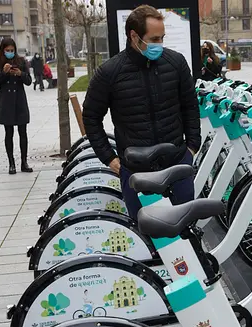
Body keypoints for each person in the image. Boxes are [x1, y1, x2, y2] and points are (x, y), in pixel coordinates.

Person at [82, 5, 201, 218]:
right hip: (135, 171)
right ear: (134, 36)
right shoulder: (109, 72)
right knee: (144, 233)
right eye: (154, 39)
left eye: (162, 38)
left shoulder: (176, 63)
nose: (160, 44)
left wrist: (191, 148)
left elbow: (190, 106)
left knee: (185, 228)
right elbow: (91, 117)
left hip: (177, 164)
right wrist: (109, 158)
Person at [0, 38, 33, 175]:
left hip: (19, 100)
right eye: (7, 50)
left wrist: (20, 74)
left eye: (12, 50)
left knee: (23, 132)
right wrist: (4, 72)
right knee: (8, 133)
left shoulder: (21, 61)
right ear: (2, 50)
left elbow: (29, 81)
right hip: (6, 101)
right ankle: (11, 163)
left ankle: (24, 162)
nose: (10, 52)